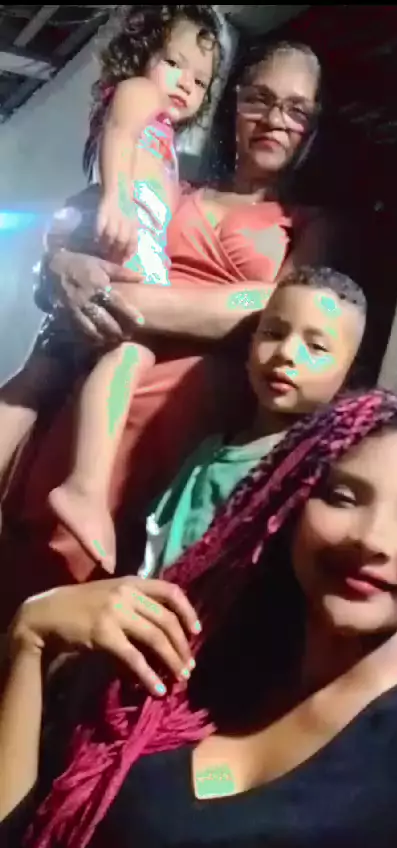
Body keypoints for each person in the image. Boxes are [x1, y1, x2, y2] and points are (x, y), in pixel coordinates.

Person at [1, 388, 397, 848]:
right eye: (343, 497)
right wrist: (30, 638)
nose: (372, 539)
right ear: (291, 510)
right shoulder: (185, 670)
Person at [0, 37, 329, 625]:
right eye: (259, 99)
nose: (274, 119)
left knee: (112, 604)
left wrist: (118, 298)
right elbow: (77, 230)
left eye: (296, 109)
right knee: (26, 581)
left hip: (182, 427)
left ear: (315, 126)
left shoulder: (311, 223)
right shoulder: (175, 180)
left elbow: (271, 307)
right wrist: (61, 267)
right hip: (91, 402)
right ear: (234, 105)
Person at [0, 5, 223, 574]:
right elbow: (119, 136)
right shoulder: (139, 95)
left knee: (42, 371)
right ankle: (85, 485)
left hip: (118, 233)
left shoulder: (165, 137)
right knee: (132, 346)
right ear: (142, 54)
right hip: (127, 237)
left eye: (200, 81)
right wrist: (118, 197)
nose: (185, 83)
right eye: (173, 62)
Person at [140, 265, 366, 577]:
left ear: (348, 376)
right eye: (273, 334)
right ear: (250, 347)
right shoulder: (210, 451)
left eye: (315, 347)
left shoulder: (308, 474)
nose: (286, 353)